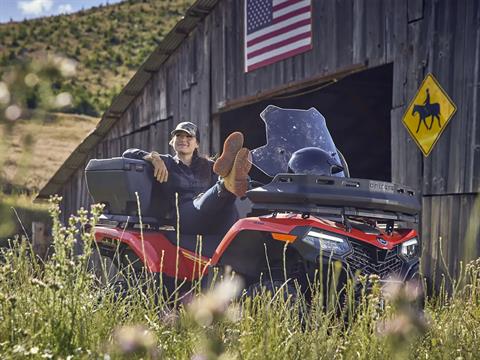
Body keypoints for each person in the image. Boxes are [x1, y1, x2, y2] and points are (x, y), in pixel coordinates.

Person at [122, 121, 251, 236]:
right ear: (172, 142)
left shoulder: (209, 166)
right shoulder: (166, 161)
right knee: (222, 187)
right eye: (179, 136)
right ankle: (226, 182)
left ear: (197, 144)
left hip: (213, 216)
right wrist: (153, 157)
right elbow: (128, 153)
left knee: (227, 198)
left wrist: (246, 184)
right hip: (183, 217)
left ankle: (231, 180)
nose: (183, 139)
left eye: (189, 136)